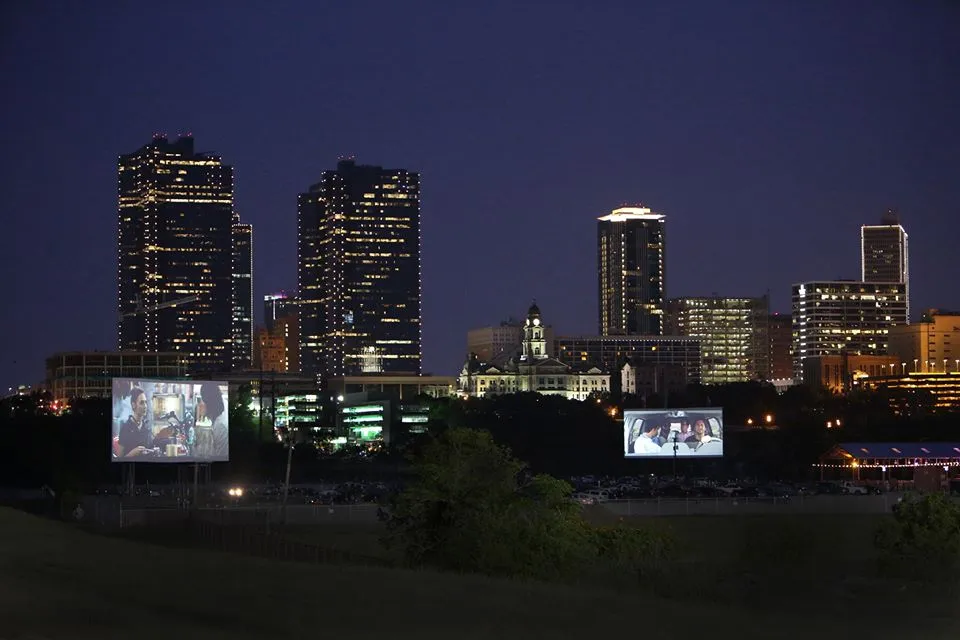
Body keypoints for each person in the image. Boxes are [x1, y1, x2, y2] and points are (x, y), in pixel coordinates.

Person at [194, 382, 228, 460]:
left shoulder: (221, 426)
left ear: (209, 403)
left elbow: (220, 458)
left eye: (202, 400)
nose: (200, 404)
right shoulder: (222, 403)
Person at [118, 387, 152, 457]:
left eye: (146, 402)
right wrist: (132, 454)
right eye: (142, 403)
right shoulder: (125, 428)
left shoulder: (146, 427)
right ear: (133, 405)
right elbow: (119, 458)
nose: (145, 406)